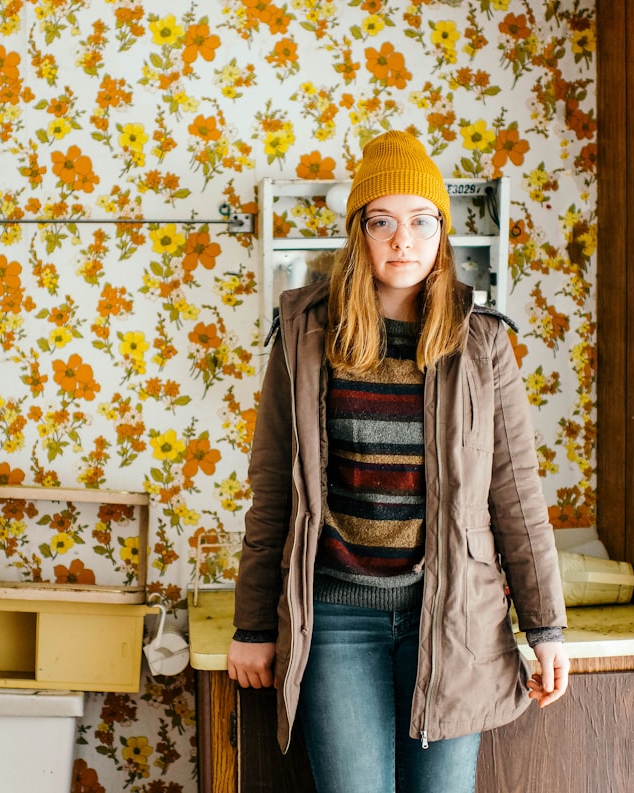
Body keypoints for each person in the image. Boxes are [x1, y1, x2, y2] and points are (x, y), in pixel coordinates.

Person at [227, 130, 570, 793]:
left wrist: (546, 625)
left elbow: (516, 492)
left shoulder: (482, 342)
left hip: (450, 616)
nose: (401, 240)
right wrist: (251, 621)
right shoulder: (303, 335)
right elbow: (272, 487)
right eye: (382, 221)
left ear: (441, 231)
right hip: (336, 617)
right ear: (359, 233)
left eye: (420, 220)